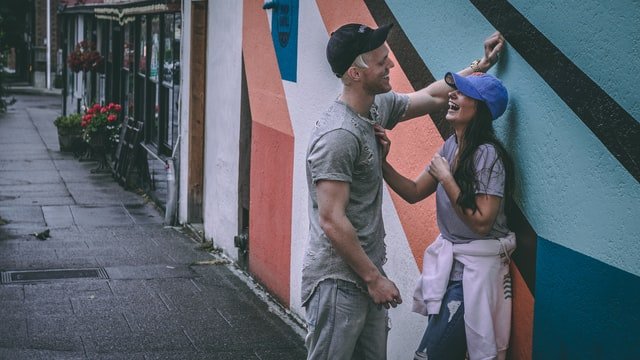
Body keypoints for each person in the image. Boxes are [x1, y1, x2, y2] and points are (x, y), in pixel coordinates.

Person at [303, 21, 505, 360]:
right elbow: (331, 220)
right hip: (338, 281)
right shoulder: (338, 135)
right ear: (355, 73)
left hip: (366, 275)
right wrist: (373, 279)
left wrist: (478, 68)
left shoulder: (374, 109)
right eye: (382, 62)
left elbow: (431, 95)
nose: (391, 66)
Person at [374, 71, 515, 359]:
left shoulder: (488, 155)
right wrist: (383, 162)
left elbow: (482, 222)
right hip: (451, 272)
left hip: (474, 277)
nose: (452, 95)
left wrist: (447, 178)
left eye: (462, 93)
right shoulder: (451, 146)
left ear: (481, 109)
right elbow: (413, 191)